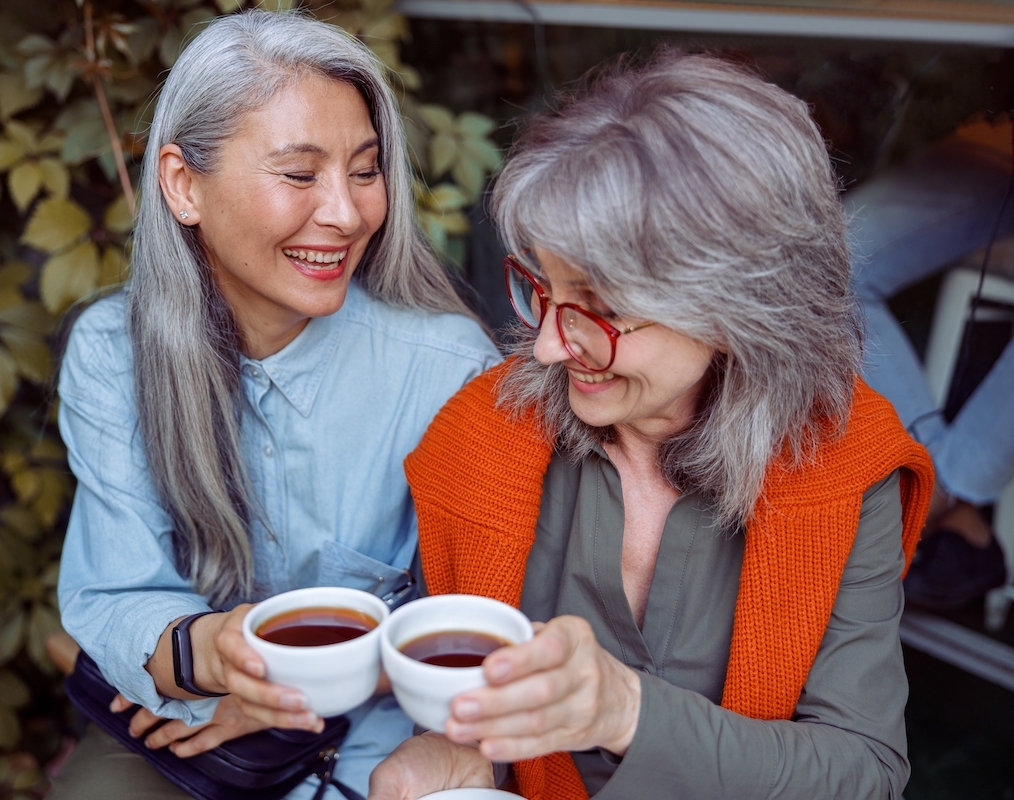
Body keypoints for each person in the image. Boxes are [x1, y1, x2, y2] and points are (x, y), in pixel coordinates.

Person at [370, 52, 935, 800]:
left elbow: (862, 772)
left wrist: (627, 709)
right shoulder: (481, 439)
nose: (544, 346)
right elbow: (479, 708)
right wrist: (458, 759)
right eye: (542, 287)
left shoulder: (845, 459)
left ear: (741, 309)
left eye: (598, 307)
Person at [48, 10, 498, 800]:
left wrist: (315, 688)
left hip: (384, 734)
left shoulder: (448, 369)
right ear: (184, 185)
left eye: (365, 170)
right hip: (189, 725)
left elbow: (481, 617)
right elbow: (119, 592)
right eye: (300, 174)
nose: (348, 213)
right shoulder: (112, 355)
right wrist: (214, 656)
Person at [847, 116, 1013, 609]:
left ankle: (937, 484)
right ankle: (939, 486)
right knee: (827, 267)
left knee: (823, 270)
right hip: (996, 125)